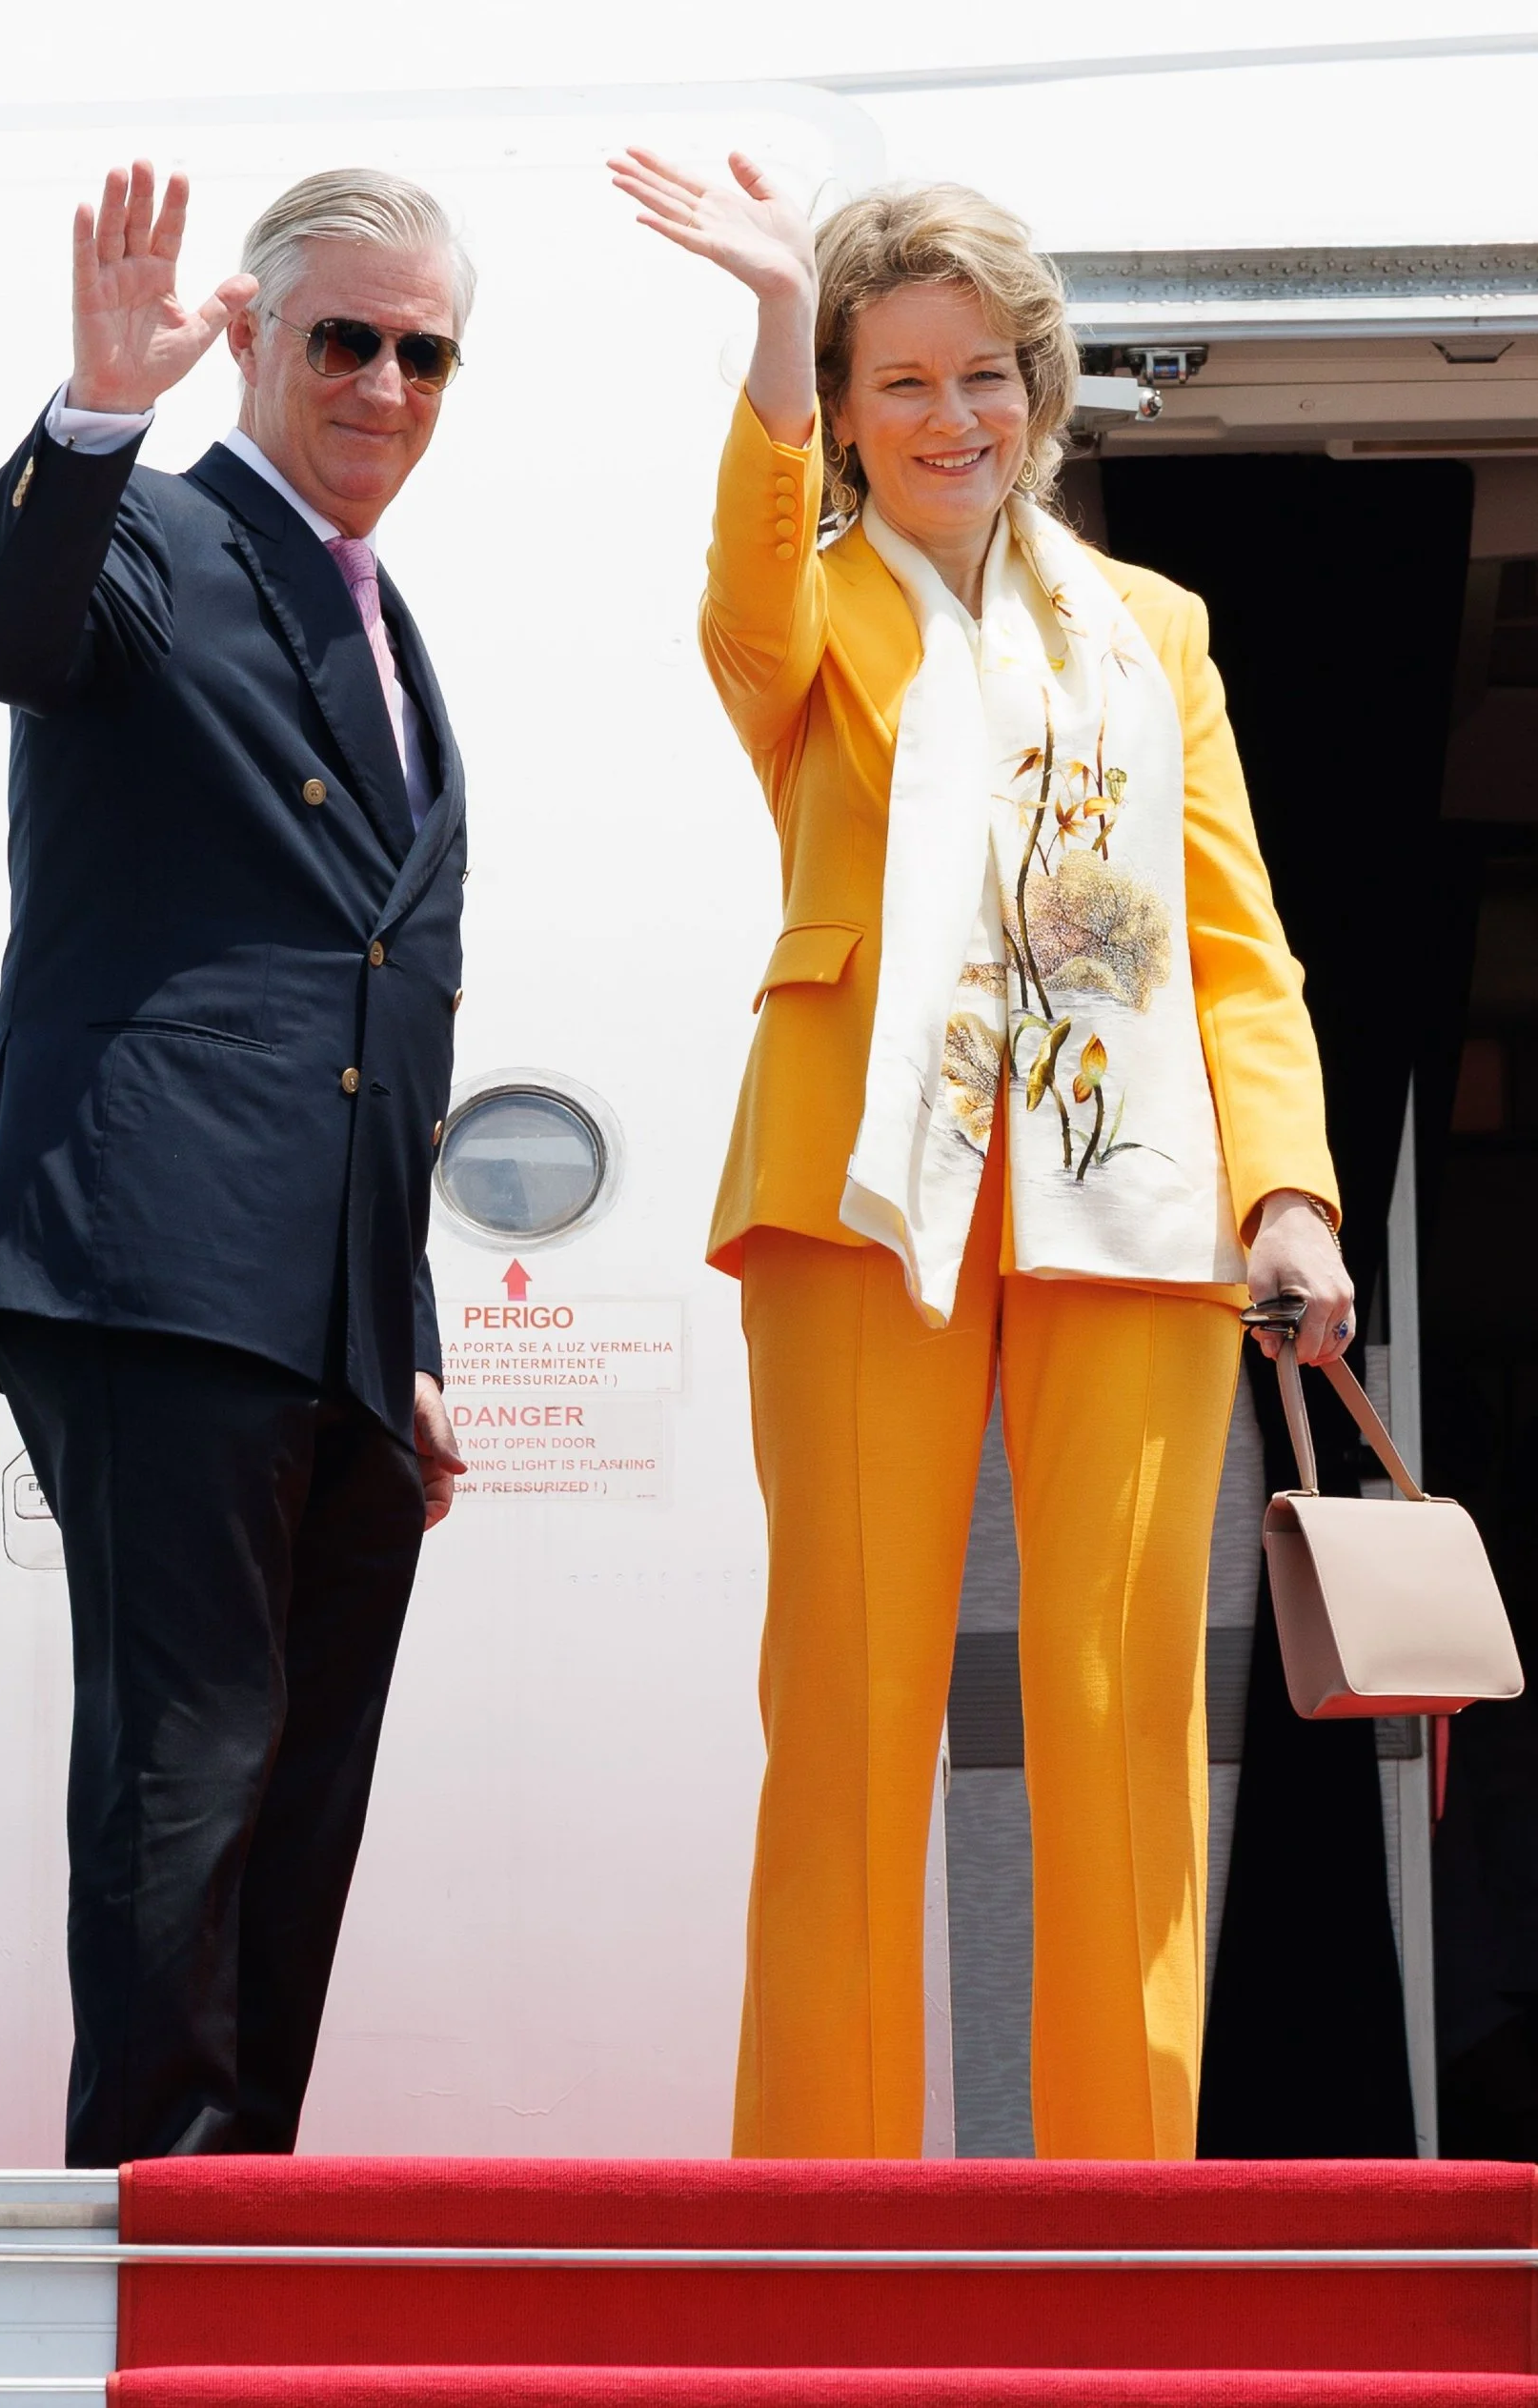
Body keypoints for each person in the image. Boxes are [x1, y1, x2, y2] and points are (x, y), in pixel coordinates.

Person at [609, 151, 1354, 2160]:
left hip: (1136, 1204)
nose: (952, 418)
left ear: (1037, 385)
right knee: (848, 1711)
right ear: (844, 415)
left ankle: (1123, 2206)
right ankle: (821, 2211)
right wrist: (779, 324)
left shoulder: (1154, 630)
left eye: (984, 374)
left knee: (1123, 1721)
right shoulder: (804, 612)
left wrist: (1285, 1189)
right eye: (900, 382)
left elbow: (1231, 944)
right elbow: (744, 594)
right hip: (856, 1202)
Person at [0, 161, 473, 2165]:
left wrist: (403, 1329)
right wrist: (94, 413)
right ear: (253, 333)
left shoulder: (388, 626)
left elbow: (376, 1005)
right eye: (346, 340)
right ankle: (154, 2212)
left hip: (328, 1302)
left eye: (426, 353)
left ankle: (241, 2208)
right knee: (193, 1748)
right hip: (154, 1251)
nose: (386, 385)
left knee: (301, 1778)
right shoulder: (149, 530)